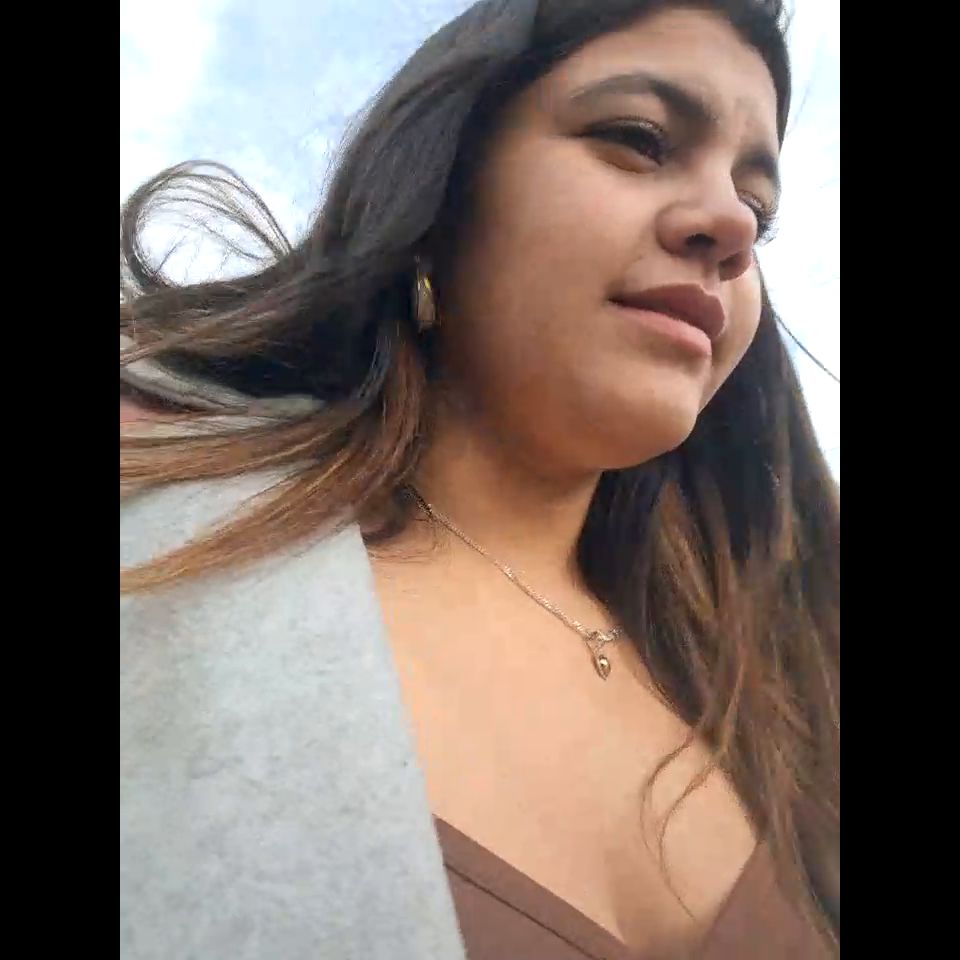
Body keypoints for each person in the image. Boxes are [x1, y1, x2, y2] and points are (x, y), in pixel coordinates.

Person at [119, 1, 840, 957]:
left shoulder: (783, 675)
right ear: (439, 196)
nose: (732, 225)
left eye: (760, 208)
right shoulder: (156, 518)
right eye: (638, 138)